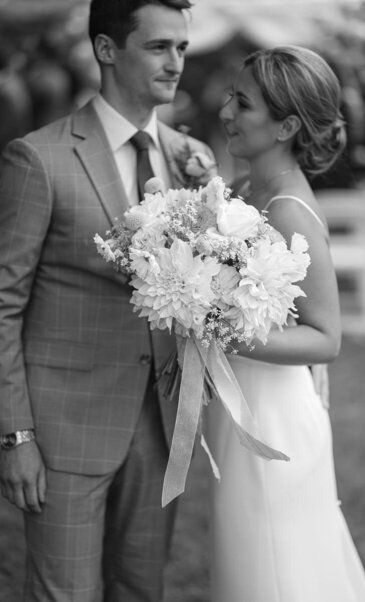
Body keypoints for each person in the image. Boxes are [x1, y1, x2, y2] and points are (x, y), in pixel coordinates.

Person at [0, 0, 215, 600]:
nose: (175, 63)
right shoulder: (37, 158)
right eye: (158, 47)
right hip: (63, 431)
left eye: (181, 48)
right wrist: (14, 437)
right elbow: (3, 303)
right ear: (106, 49)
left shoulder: (190, 160)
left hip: (162, 425)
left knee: (141, 591)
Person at [205, 46, 365, 602]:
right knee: (249, 560)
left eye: (244, 103)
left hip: (273, 419)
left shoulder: (287, 209)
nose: (227, 111)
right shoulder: (245, 193)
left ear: (287, 125)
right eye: (232, 96)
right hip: (243, 406)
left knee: (277, 568)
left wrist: (222, 328)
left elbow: (326, 337)